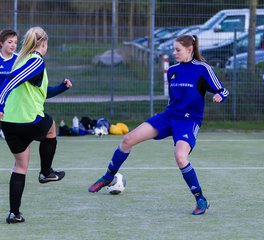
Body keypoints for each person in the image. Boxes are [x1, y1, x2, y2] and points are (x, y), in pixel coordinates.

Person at [88, 35, 229, 215]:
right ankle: (108, 177)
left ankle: (200, 199)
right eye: (174, 49)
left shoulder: (203, 69)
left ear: (189, 50)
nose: (174, 53)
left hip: (188, 121)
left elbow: (223, 89)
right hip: (168, 116)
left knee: (180, 156)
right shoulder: (172, 71)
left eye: (177, 50)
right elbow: (173, 99)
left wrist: (220, 96)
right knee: (128, 139)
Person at [0, 26, 73, 224]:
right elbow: (12, 80)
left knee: (20, 166)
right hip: (27, 120)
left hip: (8, 123)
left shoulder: (22, 61)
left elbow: (41, 92)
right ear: (43, 43)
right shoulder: (35, 61)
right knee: (51, 126)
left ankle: (14, 214)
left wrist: (62, 88)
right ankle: (46, 173)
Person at [0, 29, 18, 139]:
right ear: (1, 43)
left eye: (15, 42)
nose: (13, 45)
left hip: (14, 99)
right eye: (10, 42)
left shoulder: (19, 59)